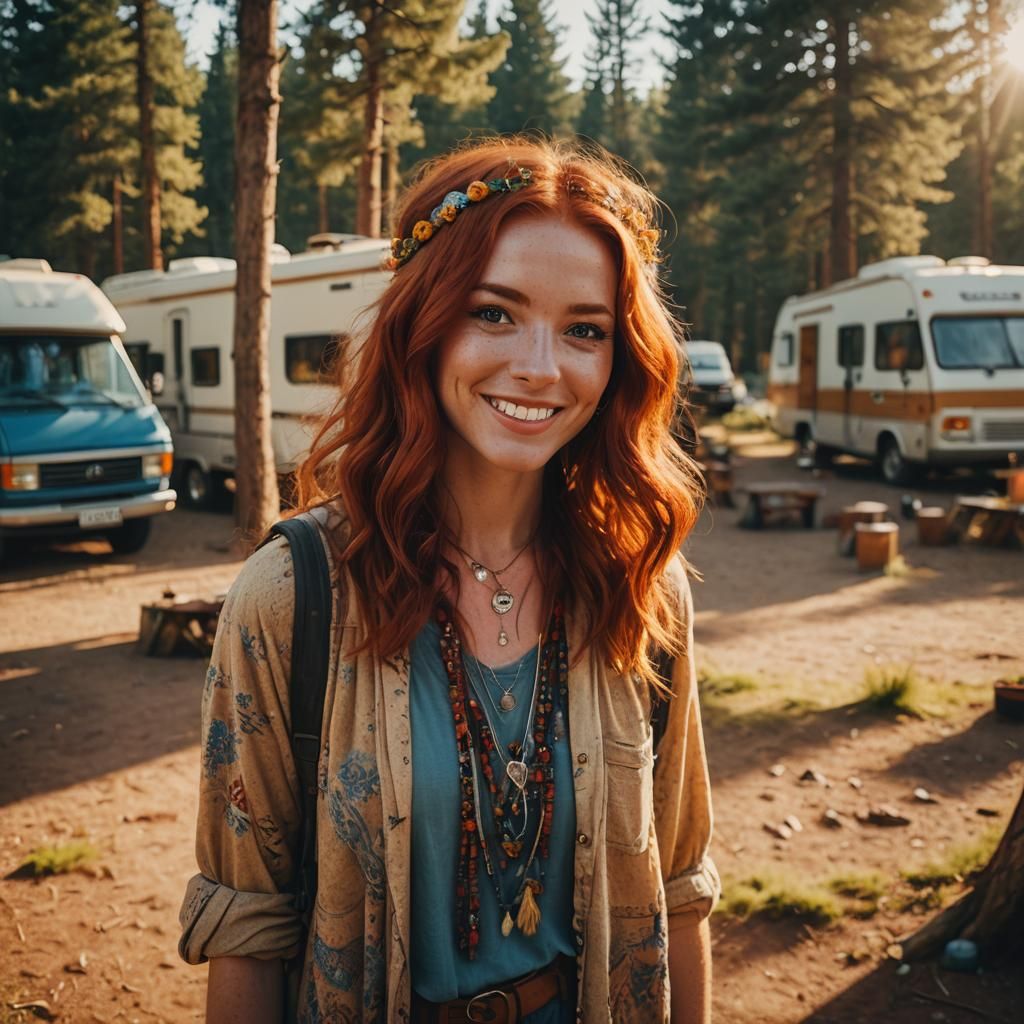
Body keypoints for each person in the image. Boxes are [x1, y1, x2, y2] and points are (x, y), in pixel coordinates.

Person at [179, 137, 719, 1024]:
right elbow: (245, 926)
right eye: (495, 313)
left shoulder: (642, 589)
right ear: (423, 325)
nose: (542, 366)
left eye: (585, 329)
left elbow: (682, 888)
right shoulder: (290, 595)